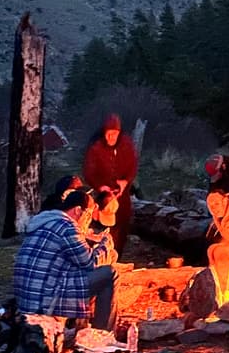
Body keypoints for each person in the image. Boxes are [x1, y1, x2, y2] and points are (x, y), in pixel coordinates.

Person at [14, 188, 117, 332]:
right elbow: (90, 263)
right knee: (109, 274)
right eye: (87, 215)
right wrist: (106, 244)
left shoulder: (44, 222)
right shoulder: (67, 227)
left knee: (79, 274)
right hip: (45, 302)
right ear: (77, 211)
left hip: (29, 299)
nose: (88, 221)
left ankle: (80, 328)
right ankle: (103, 334)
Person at [83, 114, 139, 253]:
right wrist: (100, 186)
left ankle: (117, 253)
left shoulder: (126, 144)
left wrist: (125, 181)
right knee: (104, 223)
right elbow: (89, 171)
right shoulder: (96, 147)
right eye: (109, 134)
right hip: (104, 194)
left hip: (122, 192)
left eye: (114, 134)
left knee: (123, 222)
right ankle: (101, 252)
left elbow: (133, 166)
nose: (111, 138)